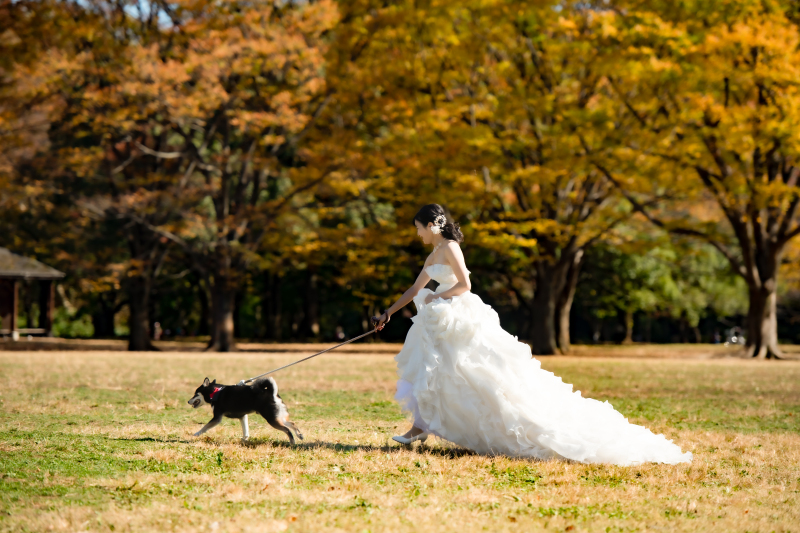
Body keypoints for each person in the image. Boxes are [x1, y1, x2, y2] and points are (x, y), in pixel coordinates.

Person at [373, 204, 691, 466]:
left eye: (418, 227)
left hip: (456, 313)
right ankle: (420, 427)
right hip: (438, 316)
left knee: (471, 371)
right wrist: (388, 312)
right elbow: (415, 289)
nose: (416, 233)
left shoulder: (451, 248)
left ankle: (438, 426)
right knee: (431, 368)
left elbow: (465, 285)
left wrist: (438, 298)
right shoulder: (433, 254)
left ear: (433, 224)